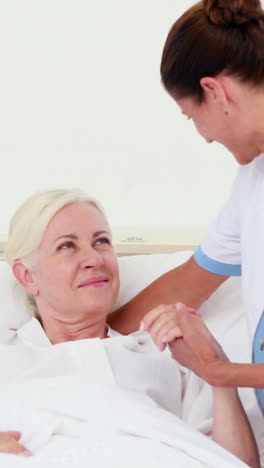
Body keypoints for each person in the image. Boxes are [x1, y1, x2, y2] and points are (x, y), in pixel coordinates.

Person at [0, 188, 259, 468]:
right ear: (27, 276)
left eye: (101, 242)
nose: (95, 259)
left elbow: (235, 463)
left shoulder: (168, 356)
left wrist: (217, 366)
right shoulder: (7, 356)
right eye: (67, 246)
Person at [108, 0, 264, 413]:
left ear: (214, 92)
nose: (205, 137)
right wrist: (84, 336)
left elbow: (217, 370)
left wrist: (219, 372)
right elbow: (190, 281)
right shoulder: (253, 183)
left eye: (190, 116)